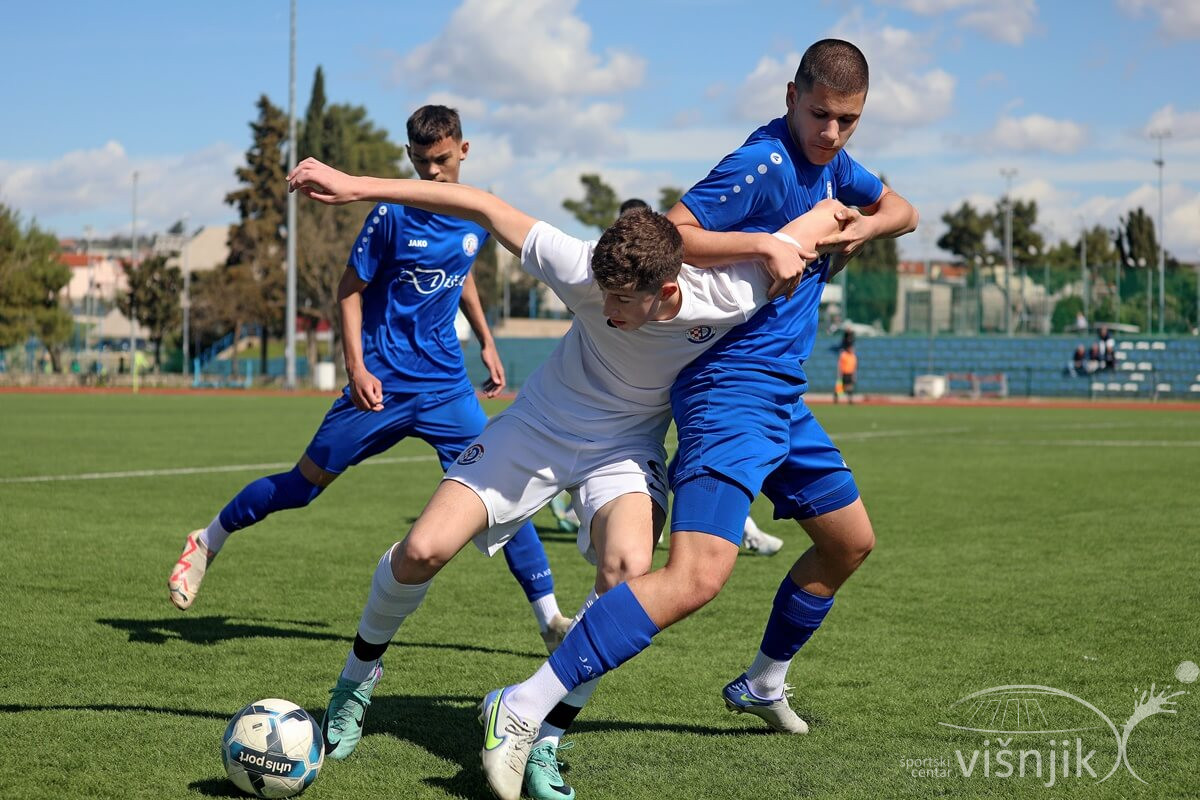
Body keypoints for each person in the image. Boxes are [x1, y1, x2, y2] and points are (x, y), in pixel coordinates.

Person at [286, 157, 847, 796]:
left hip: (626, 449)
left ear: (667, 290)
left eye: (622, 299)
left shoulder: (730, 293)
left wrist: (857, 218)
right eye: (603, 292)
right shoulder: (580, 266)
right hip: (538, 429)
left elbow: (823, 220)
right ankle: (357, 679)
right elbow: (482, 204)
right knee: (422, 550)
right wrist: (357, 186)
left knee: (627, 573)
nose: (606, 308)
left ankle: (545, 735)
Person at [481, 39, 918, 800]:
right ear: (791, 96)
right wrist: (770, 244)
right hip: (728, 391)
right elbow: (674, 235)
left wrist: (861, 229)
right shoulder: (762, 163)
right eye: (820, 114)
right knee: (695, 577)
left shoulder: (835, 166)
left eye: (847, 120)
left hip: (781, 396)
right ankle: (522, 705)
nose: (831, 133)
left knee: (849, 543)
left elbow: (904, 210)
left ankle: (762, 681)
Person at [167, 106, 571, 652]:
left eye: (442, 160)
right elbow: (348, 291)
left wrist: (486, 340)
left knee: (499, 493)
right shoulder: (390, 216)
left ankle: (550, 620)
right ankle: (207, 540)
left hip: (447, 389)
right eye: (422, 162)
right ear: (409, 157)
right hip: (380, 387)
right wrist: (356, 367)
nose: (433, 172)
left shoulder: (476, 213)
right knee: (301, 487)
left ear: (464, 150)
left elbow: (463, 274)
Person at [551, 195, 786, 559]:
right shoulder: (601, 283)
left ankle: (744, 531)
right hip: (635, 409)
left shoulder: (700, 286)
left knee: (701, 467)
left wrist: (769, 244)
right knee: (686, 471)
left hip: (698, 388)